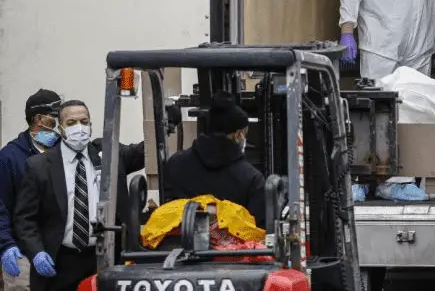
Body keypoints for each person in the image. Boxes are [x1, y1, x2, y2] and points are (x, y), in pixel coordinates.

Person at [12, 100, 145, 291]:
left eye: (84, 121)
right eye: (71, 123)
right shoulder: (39, 166)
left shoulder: (109, 154)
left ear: (91, 125)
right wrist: (37, 252)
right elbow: (24, 219)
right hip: (59, 264)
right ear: (61, 129)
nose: (79, 128)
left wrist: (166, 120)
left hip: (103, 259)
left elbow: (145, 151)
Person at [164, 91, 265, 228]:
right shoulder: (252, 179)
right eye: (245, 134)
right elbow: (258, 231)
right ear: (237, 135)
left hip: (179, 240)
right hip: (233, 242)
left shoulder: (175, 164)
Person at [0, 89, 62, 291]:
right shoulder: (9, 158)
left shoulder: (63, 151)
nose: (59, 122)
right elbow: (1, 206)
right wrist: (6, 245)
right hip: (22, 253)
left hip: (58, 251)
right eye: (54, 117)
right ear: (39, 119)